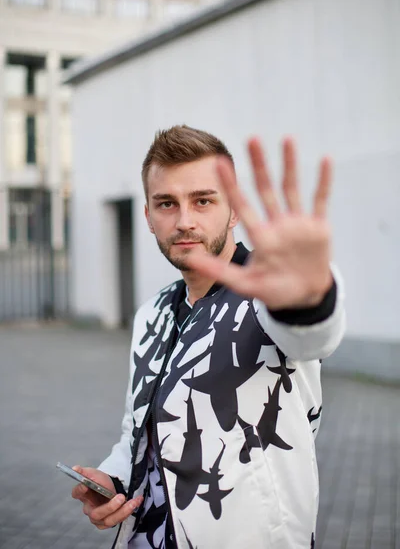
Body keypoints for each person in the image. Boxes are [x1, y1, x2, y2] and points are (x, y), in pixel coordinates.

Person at [72, 125, 345, 549]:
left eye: (203, 200)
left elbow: (312, 336)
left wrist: (309, 296)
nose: (184, 221)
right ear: (147, 216)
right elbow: (137, 432)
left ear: (234, 210)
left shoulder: (268, 292)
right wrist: (112, 478)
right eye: (166, 203)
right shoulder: (152, 314)